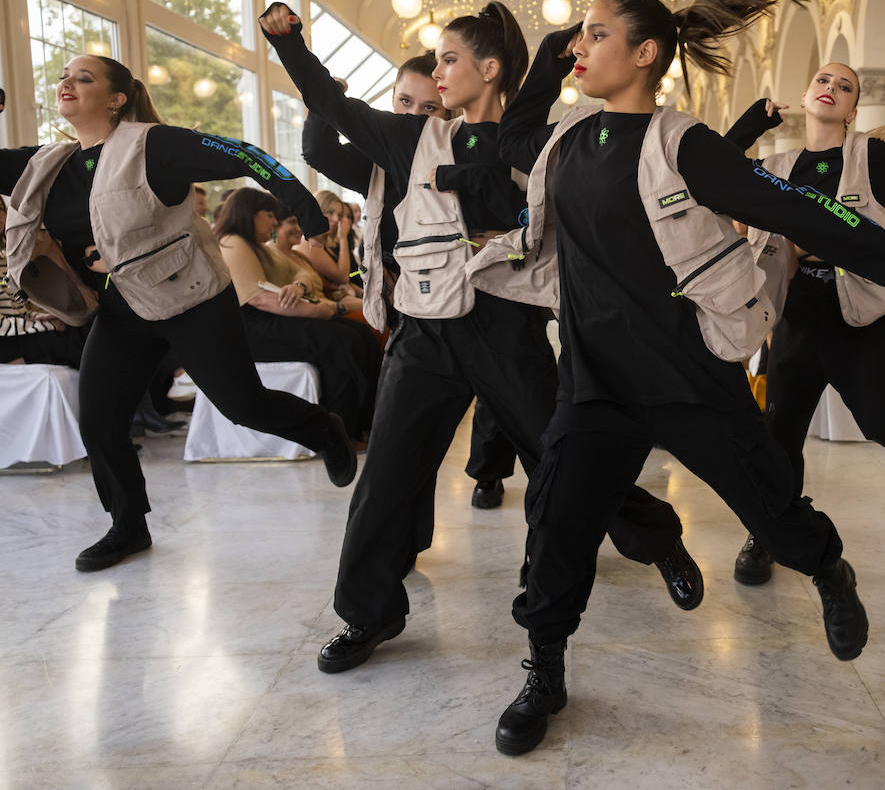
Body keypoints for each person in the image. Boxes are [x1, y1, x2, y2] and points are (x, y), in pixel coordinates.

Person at [483, 0, 885, 756]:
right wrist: (560, 42)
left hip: (686, 374)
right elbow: (510, 133)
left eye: (599, 35)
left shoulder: (683, 144)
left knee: (771, 506)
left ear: (645, 54)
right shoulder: (567, 139)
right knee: (557, 516)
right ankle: (545, 668)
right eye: (581, 35)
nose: (581, 49)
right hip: (595, 380)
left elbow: (789, 206)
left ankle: (827, 568)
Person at [261, 0, 699, 676]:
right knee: (386, 475)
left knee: (564, 461)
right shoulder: (411, 139)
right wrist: (289, 43)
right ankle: (369, 609)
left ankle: (657, 534)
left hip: (504, 324)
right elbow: (330, 106)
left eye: (449, 58)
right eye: (435, 59)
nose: (437, 71)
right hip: (425, 329)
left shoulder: (536, 141)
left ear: (490, 70)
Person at [0, 54, 357, 572]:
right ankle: (127, 525)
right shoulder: (45, 166)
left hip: (192, 299)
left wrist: (301, 203)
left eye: (84, 77)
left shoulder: (152, 146)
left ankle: (324, 429)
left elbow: (246, 154)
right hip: (125, 306)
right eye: (63, 78)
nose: (66, 84)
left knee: (243, 405)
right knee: (98, 419)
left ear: (117, 98)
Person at [720, 70, 885, 586]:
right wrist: (752, 123)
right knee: (780, 437)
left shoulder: (868, 158)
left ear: (853, 109)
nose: (831, 88)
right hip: (797, 312)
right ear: (803, 95)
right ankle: (772, 533)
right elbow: (715, 170)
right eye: (822, 80)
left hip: (860, 313)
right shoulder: (774, 167)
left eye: (845, 87)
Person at [300, 53, 518, 511]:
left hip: (485, 303)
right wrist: (325, 103)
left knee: (514, 413)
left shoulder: (467, 149)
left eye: (428, 108)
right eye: (403, 102)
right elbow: (318, 153)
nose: (411, 117)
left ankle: (491, 475)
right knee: (404, 441)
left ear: (448, 112)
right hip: (412, 310)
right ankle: (403, 542)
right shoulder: (375, 161)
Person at [215, 188, 382, 441]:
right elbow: (260, 300)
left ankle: (368, 419)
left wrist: (301, 288)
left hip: (270, 319)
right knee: (340, 341)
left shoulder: (255, 245)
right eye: (269, 215)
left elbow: (297, 271)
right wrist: (318, 311)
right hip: (254, 329)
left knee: (358, 334)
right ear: (250, 214)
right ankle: (343, 431)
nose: (273, 221)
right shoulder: (234, 242)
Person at [0, 194, 87, 367]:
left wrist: (42, 316)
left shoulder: (7, 247)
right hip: (11, 338)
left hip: (27, 326)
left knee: (83, 325)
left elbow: (19, 304)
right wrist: (42, 322)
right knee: (77, 341)